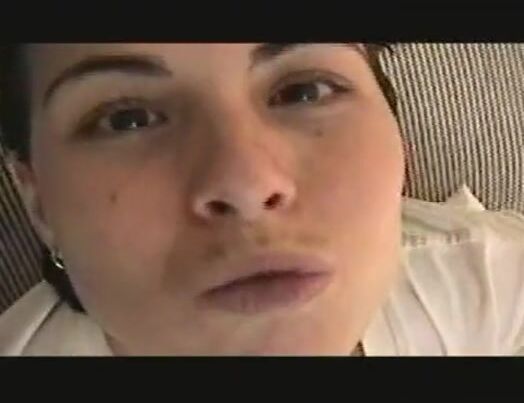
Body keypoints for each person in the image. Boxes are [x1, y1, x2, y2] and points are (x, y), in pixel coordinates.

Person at [0, 43, 522, 356]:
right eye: (126, 120)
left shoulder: (485, 276)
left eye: (304, 91)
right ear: (37, 199)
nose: (246, 186)